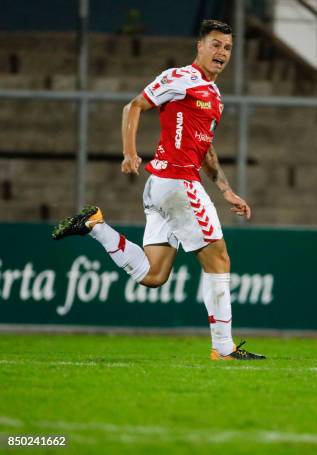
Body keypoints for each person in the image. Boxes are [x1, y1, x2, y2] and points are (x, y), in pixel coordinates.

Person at [52, 19, 264, 361]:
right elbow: (134, 105)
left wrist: (226, 189)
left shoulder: (214, 96)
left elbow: (206, 151)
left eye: (227, 47)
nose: (221, 52)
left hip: (164, 187)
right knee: (219, 258)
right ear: (200, 46)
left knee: (153, 274)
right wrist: (129, 151)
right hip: (178, 182)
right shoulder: (181, 78)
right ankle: (223, 348)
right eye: (215, 44)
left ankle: (95, 226)